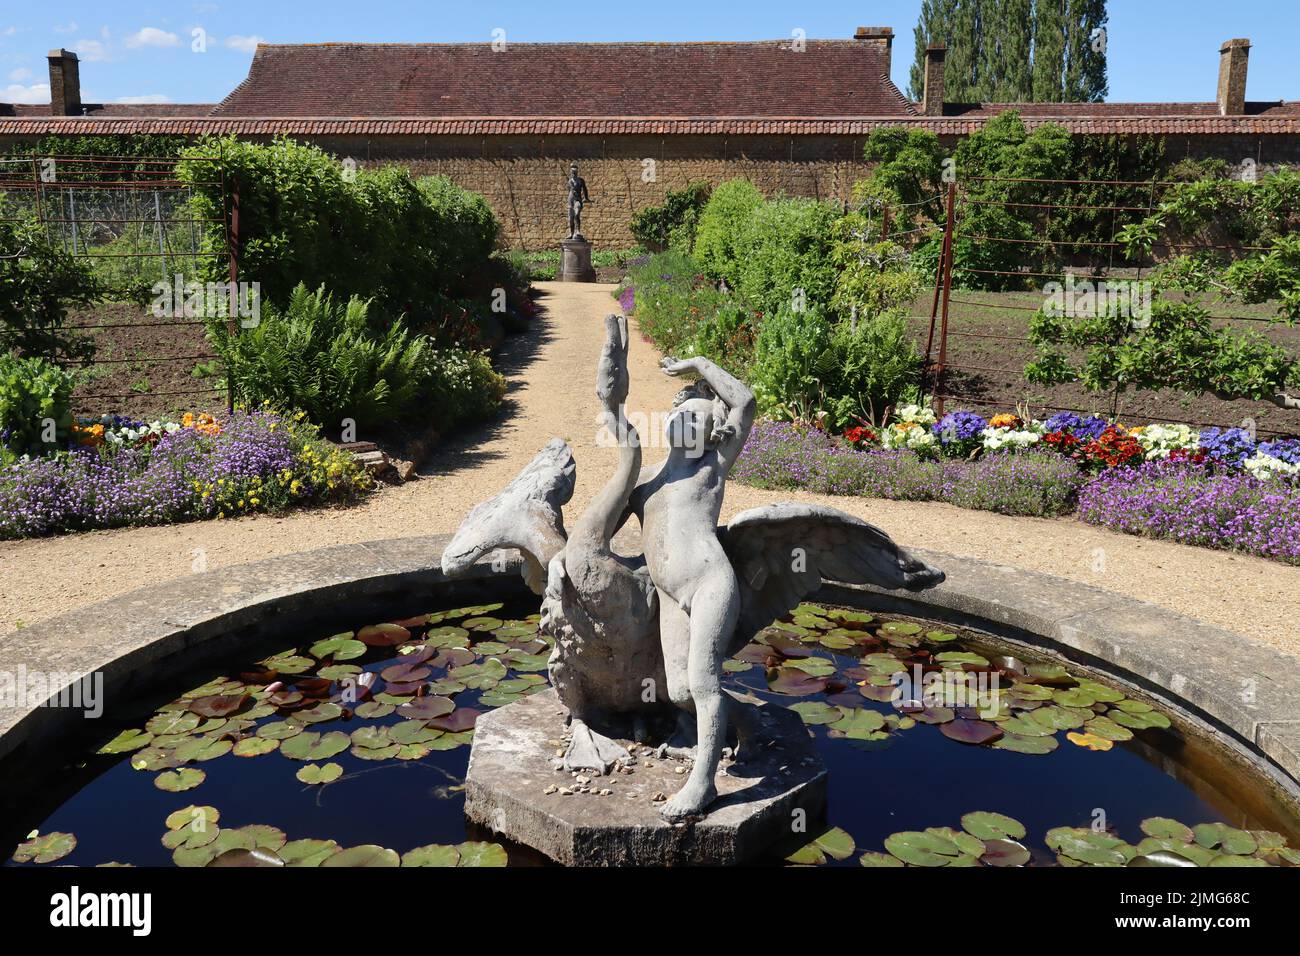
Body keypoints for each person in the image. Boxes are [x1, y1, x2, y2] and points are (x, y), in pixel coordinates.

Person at [629, 355, 755, 820]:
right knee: (680, 690)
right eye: (681, 413)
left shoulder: (712, 469)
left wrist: (700, 364)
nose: (685, 419)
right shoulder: (646, 485)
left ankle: (703, 783)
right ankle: (749, 722)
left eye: (698, 417)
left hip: (708, 585)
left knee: (703, 681)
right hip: (669, 595)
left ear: (711, 434)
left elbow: (745, 401)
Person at [566, 163, 591, 239]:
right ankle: (571, 233)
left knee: (577, 214)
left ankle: (578, 231)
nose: (573, 174)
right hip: (571, 200)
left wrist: (586, 198)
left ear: (576, 173)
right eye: (572, 173)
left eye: (574, 173)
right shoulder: (569, 182)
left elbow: (584, 189)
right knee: (571, 218)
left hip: (578, 200)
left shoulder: (580, 180)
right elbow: (569, 191)